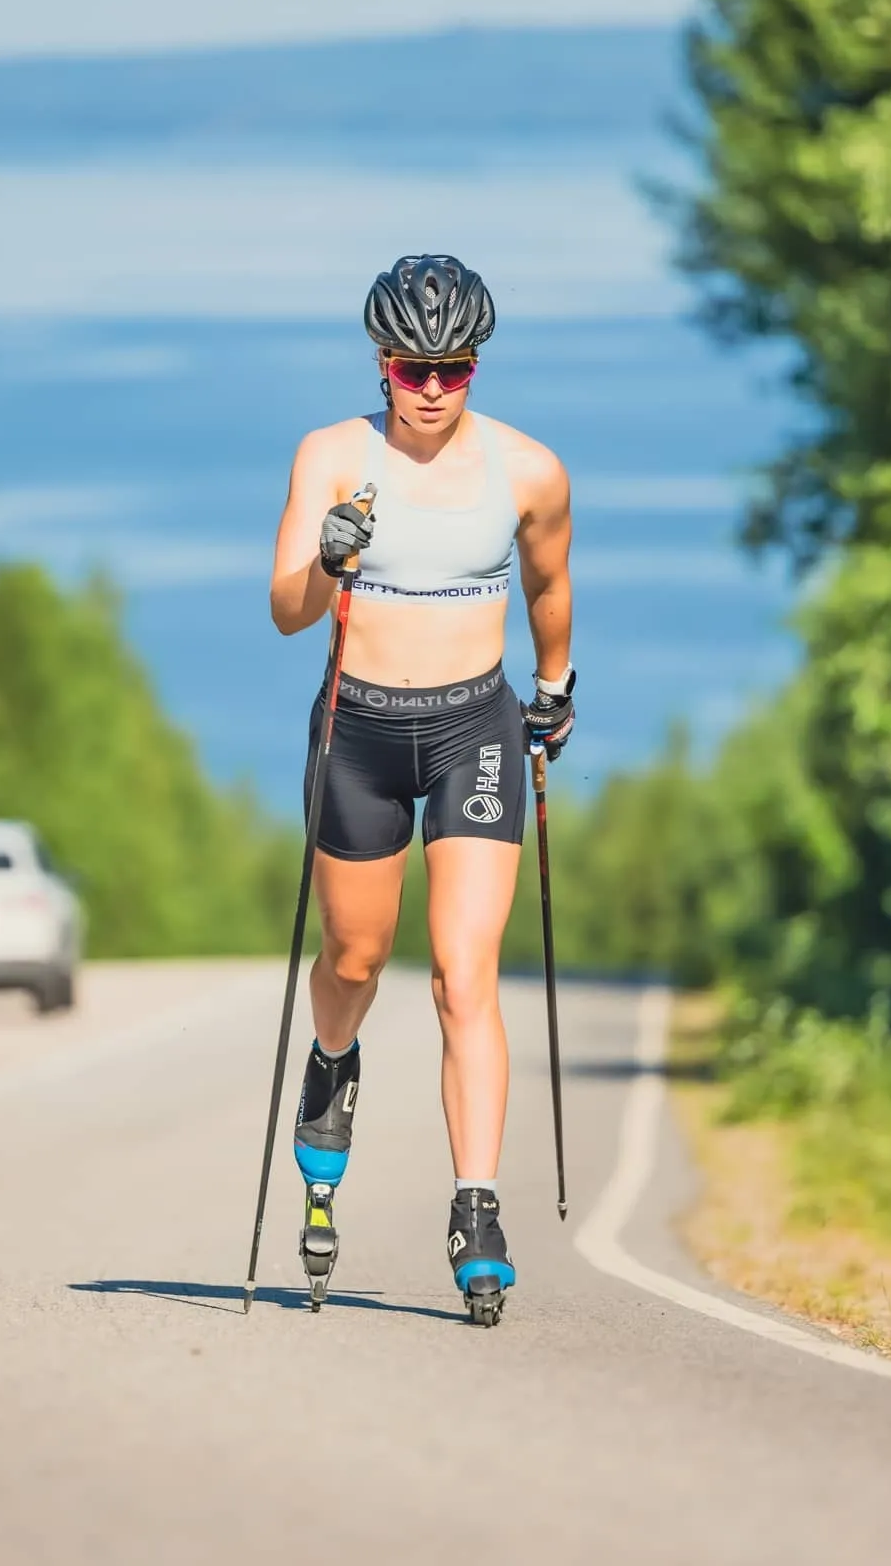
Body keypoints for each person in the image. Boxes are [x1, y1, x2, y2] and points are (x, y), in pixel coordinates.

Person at [269, 253, 574, 1319]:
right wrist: (329, 553)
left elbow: (548, 579)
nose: (433, 389)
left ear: (476, 365)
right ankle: (331, 1063)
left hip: (471, 730)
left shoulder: (529, 470)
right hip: (357, 727)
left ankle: (477, 1203)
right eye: (412, 368)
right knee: (354, 957)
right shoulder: (332, 456)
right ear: (381, 362)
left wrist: (555, 685)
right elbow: (287, 610)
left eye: (454, 368)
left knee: (462, 973)